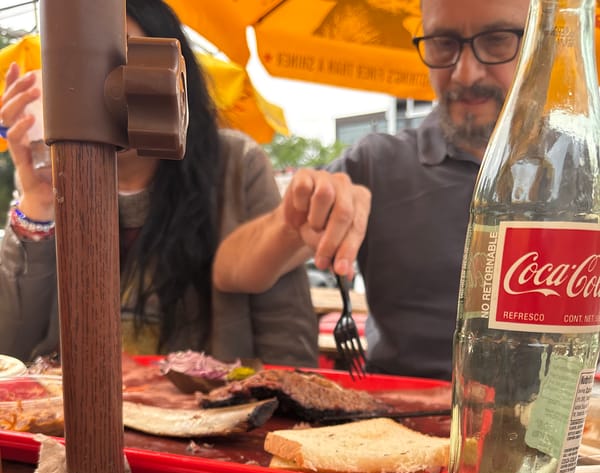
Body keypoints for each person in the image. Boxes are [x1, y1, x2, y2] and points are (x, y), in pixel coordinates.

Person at [0, 0, 370, 367]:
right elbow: (13, 346)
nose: (99, 83)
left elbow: (283, 325)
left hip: (207, 415)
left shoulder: (234, 164)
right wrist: (39, 202)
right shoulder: (58, 178)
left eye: (122, 60)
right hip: (67, 419)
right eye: (79, 65)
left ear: (170, 71)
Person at [214, 0, 530, 380]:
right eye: (443, 43)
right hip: (398, 417)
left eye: (497, 40)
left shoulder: (580, 172)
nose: (465, 72)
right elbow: (229, 271)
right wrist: (291, 221)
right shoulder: (378, 164)